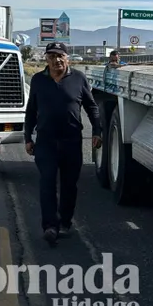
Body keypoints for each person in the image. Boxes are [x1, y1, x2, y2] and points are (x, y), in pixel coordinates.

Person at [24, 42, 102, 244]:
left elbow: (91, 107)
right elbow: (31, 110)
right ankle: (50, 226)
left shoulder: (78, 78)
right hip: (46, 141)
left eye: (60, 56)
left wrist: (97, 130)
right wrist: (27, 137)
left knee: (69, 185)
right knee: (47, 183)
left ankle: (65, 221)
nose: (56, 60)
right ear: (46, 59)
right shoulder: (38, 80)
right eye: (52, 56)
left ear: (67, 58)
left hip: (71, 141)